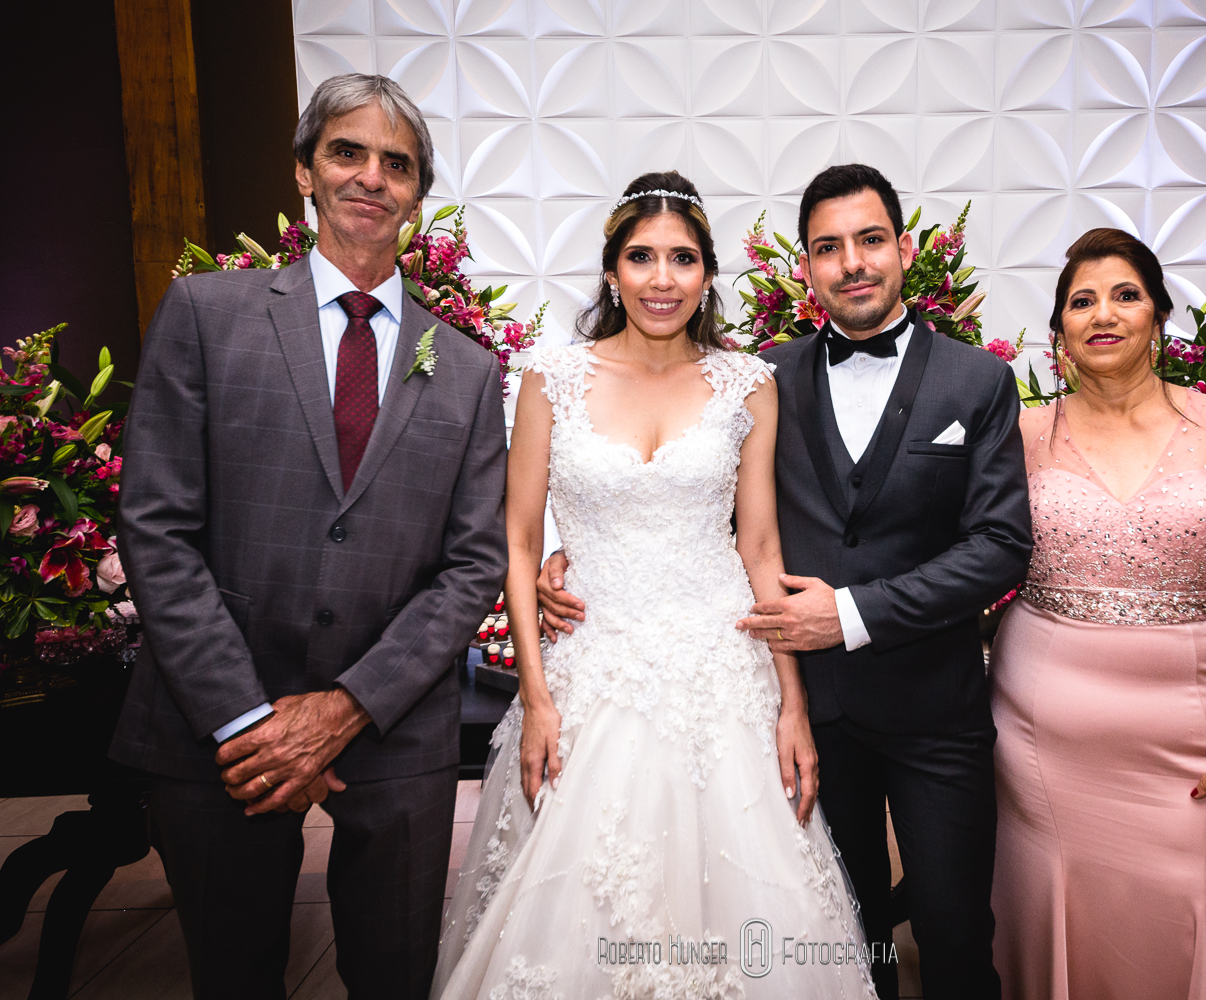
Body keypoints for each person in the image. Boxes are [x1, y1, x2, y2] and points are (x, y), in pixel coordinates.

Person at [539, 164, 1032, 999]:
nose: (854, 263)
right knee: (844, 937)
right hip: (802, 711)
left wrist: (851, 612)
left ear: (905, 249)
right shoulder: (759, 378)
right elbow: (701, 508)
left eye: (871, 240)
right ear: (804, 266)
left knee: (954, 934)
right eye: (829, 247)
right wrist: (568, 554)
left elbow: (999, 546)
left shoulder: (975, 382)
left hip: (930, 709)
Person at [110, 74, 509, 999]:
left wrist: (344, 708)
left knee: (395, 974)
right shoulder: (207, 316)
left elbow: (473, 561)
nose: (371, 176)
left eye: (397, 163)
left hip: (392, 725)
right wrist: (250, 720)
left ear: (418, 192)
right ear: (304, 172)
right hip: (217, 726)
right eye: (347, 152)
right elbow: (157, 527)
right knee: (236, 972)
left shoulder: (468, 369)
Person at [431, 171, 876, 999]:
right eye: (641, 258)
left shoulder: (749, 383)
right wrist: (534, 696)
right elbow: (519, 538)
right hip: (589, 668)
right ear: (611, 271)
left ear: (707, 274)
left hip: (723, 670)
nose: (662, 279)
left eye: (682, 259)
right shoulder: (548, 378)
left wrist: (792, 705)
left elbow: (760, 546)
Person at [989, 228, 1206, 999]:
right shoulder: (1025, 434)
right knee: (1055, 903)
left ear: (1159, 317)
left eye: (1125, 295)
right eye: (1081, 300)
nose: (1104, 313)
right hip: (1045, 737)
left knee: (1196, 903)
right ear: (1058, 330)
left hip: (1195, 733)